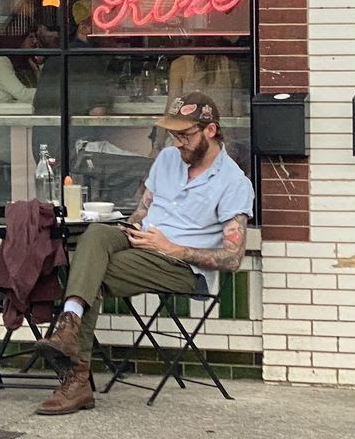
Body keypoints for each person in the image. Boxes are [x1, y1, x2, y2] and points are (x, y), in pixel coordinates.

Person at [32, 92, 254, 416]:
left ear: (210, 130)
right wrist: (131, 230)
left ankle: (76, 376)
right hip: (143, 244)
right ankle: (69, 328)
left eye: (185, 135)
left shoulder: (234, 182)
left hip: (181, 265)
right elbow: (142, 211)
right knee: (95, 234)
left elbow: (233, 259)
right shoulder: (167, 158)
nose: (178, 143)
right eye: (174, 135)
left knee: (92, 268)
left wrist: (171, 247)